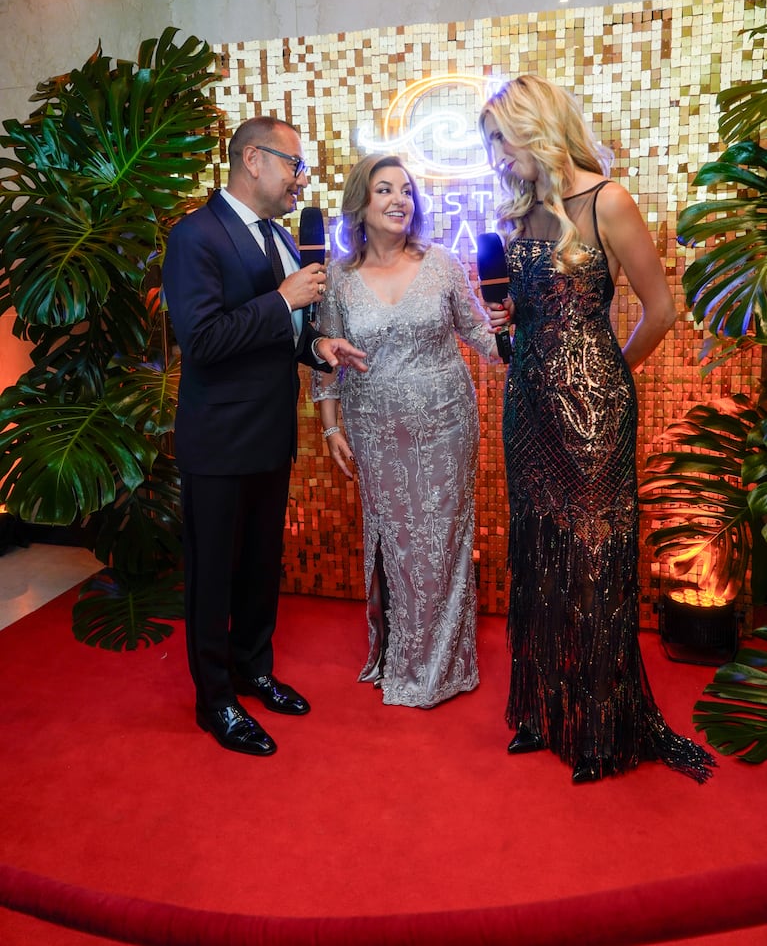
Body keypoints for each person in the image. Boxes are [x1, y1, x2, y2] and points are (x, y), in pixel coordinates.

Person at [478, 75, 715, 784]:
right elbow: (535, 311)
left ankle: (602, 723)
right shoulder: (518, 214)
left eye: (500, 137)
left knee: (591, 564)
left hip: (593, 415)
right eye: (487, 142)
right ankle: (545, 710)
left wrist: (609, 376)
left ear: (537, 126)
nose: (493, 155)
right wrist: (508, 322)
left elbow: (660, 308)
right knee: (541, 553)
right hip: (527, 407)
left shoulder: (605, 199)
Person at [162, 116, 367, 756]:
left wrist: (317, 344)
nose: (299, 179)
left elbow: (282, 331)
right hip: (218, 440)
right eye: (293, 165)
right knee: (214, 573)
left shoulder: (277, 236)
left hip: (268, 434)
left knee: (257, 566)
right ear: (254, 160)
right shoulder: (194, 237)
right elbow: (202, 340)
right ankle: (214, 700)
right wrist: (282, 300)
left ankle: (254, 670)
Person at [312, 153, 500, 708]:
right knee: (398, 542)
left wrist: (522, 339)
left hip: (446, 425)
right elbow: (324, 357)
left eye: (407, 191)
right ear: (360, 205)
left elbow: (479, 334)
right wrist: (330, 426)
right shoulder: (338, 279)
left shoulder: (440, 262)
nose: (400, 200)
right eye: (384, 190)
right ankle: (400, 652)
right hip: (375, 431)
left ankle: (442, 666)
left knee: (442, 541)